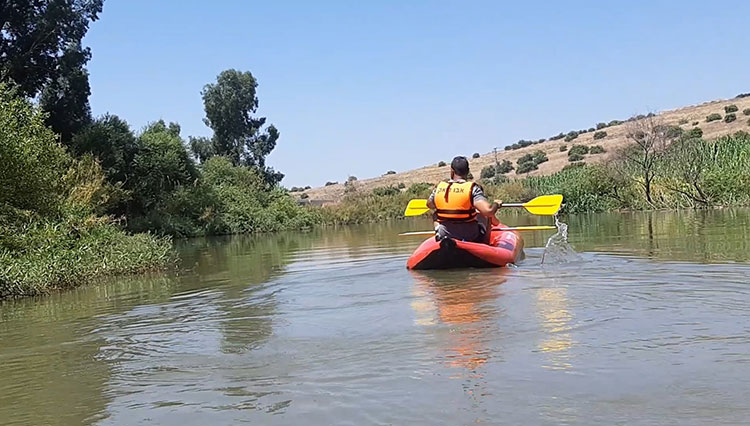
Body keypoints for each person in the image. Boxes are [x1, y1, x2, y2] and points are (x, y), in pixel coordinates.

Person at [427, 156, 502, 243]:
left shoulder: (439, 188)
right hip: (471, 236)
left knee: (436, 214)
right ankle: (486, 244)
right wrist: (496, 204)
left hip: (445, 235)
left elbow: (430, 204)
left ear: (452, 170)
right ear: (468, 170)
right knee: (483, 215)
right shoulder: (473, 189)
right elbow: (489, 211)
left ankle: (438, 233)